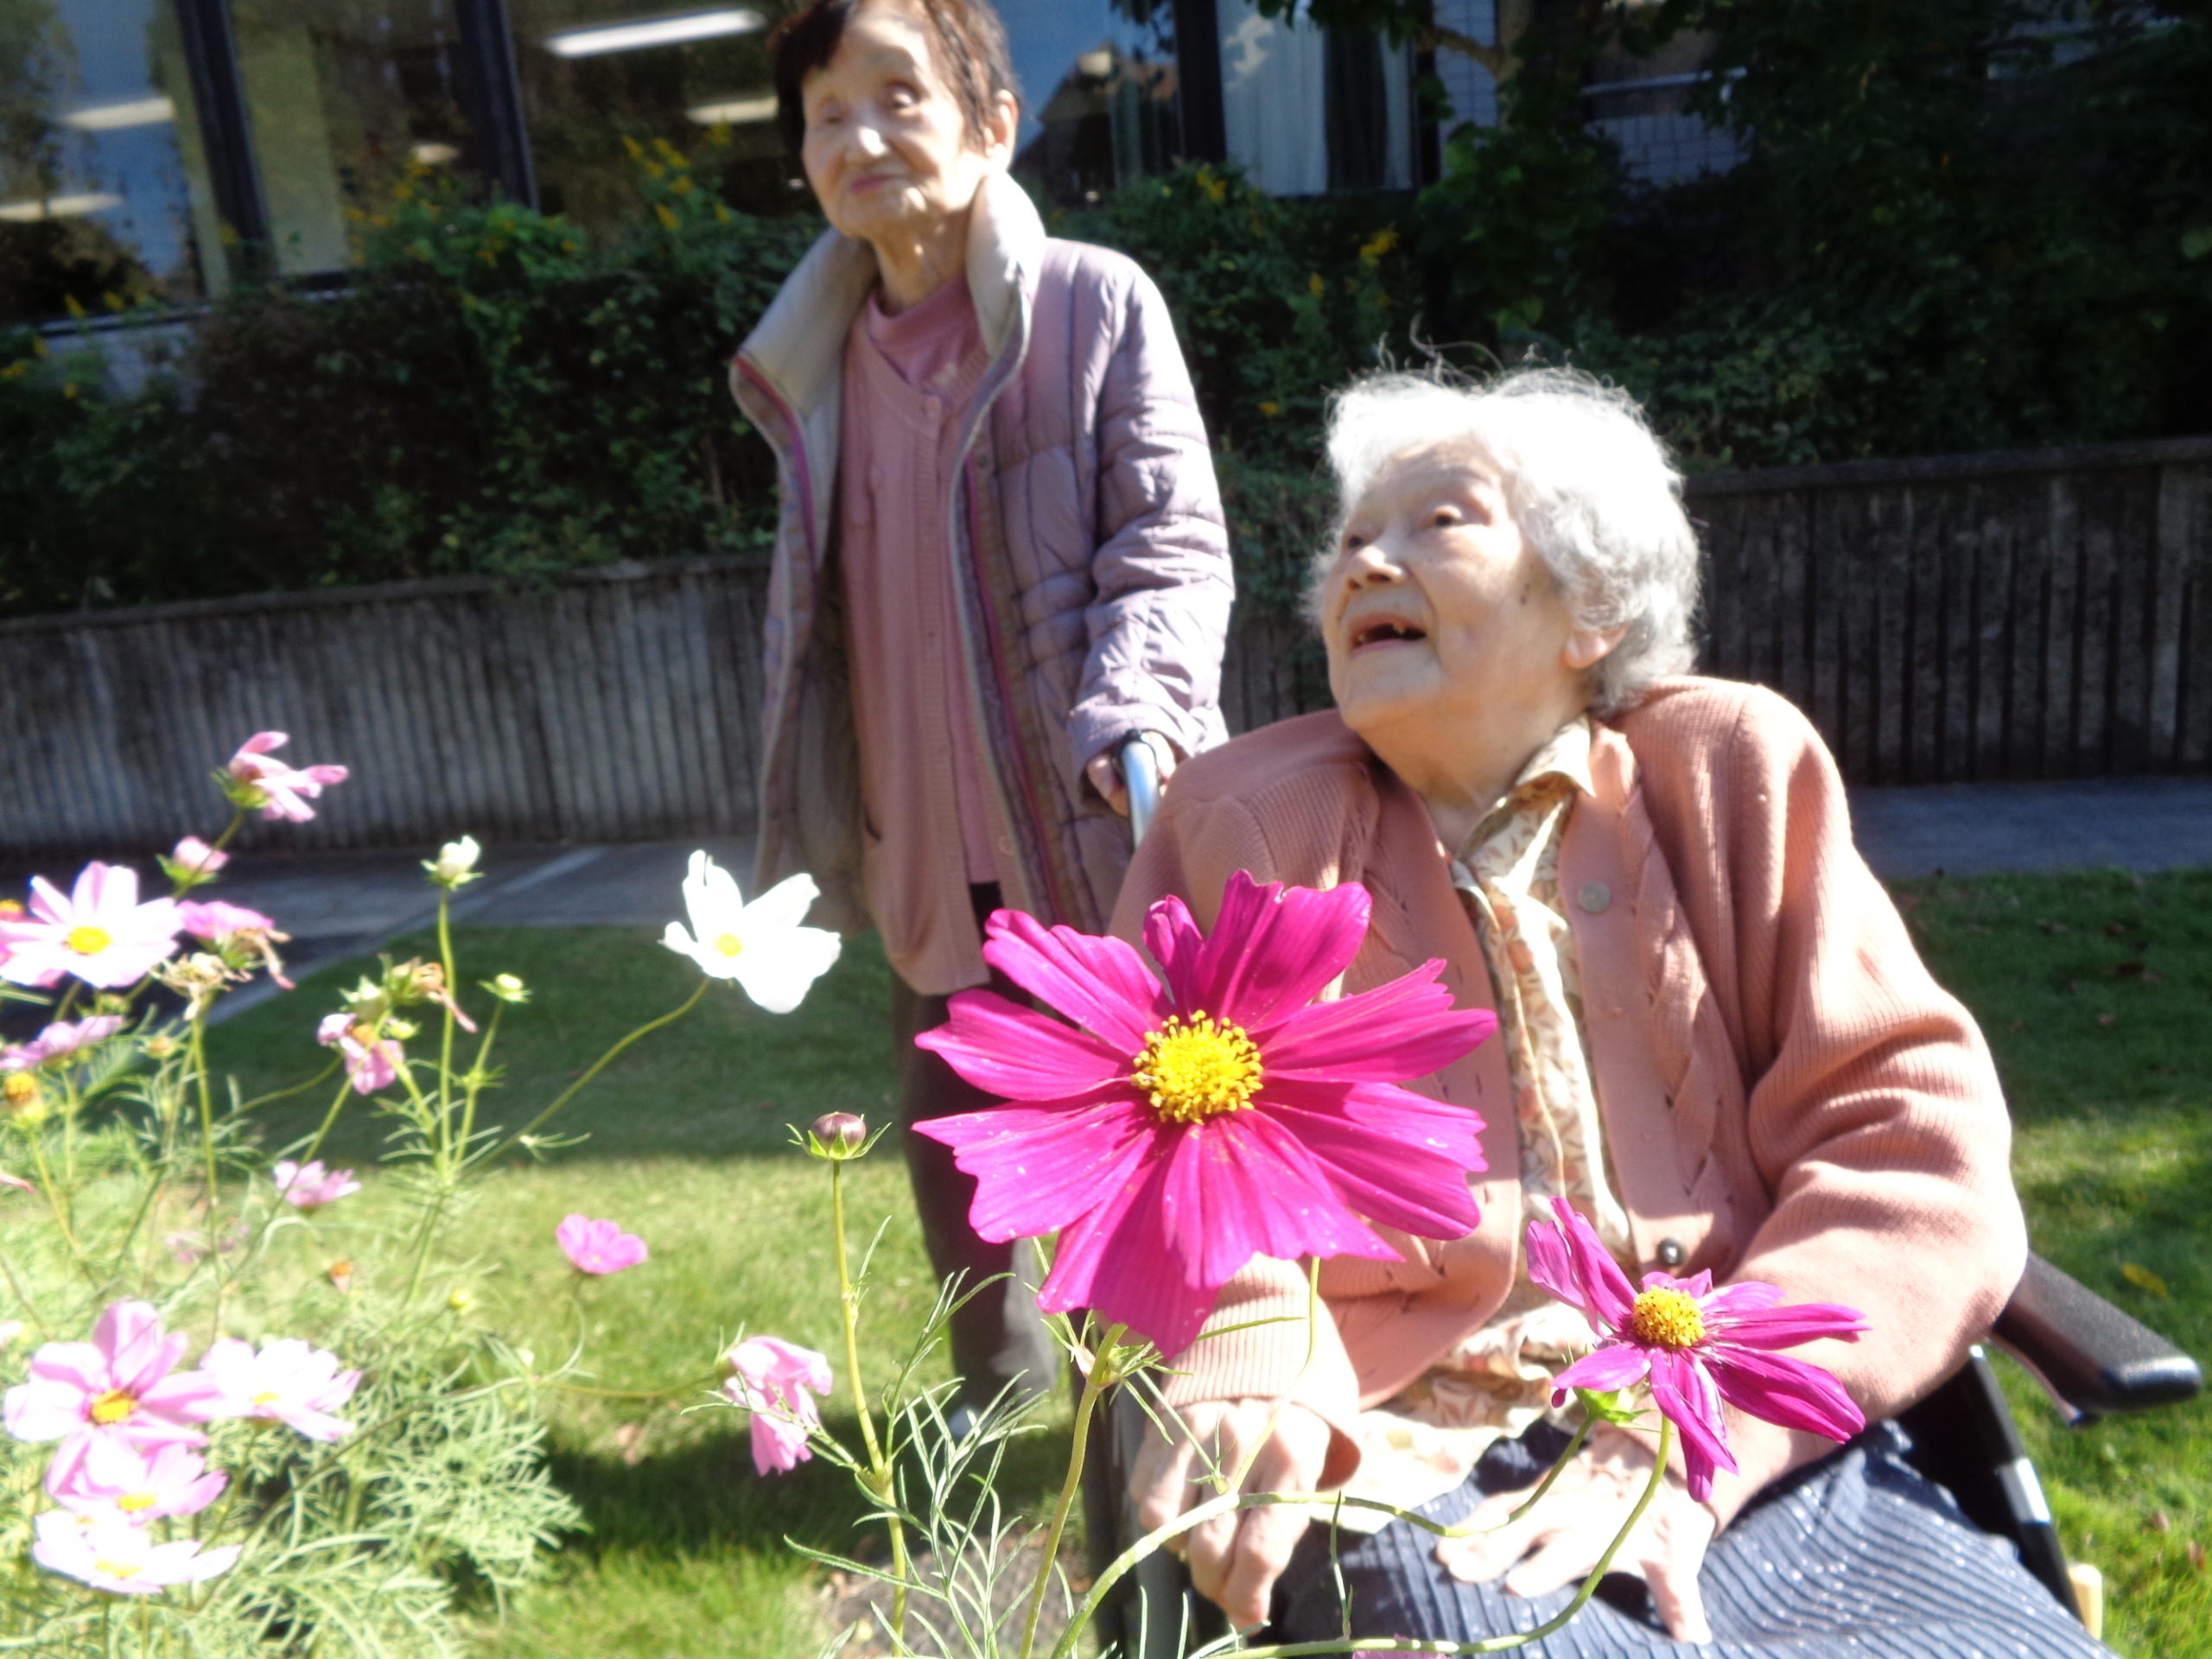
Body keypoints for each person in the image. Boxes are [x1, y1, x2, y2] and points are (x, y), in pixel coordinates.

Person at [1111, 368, 2110, 1654]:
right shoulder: (1249, 817)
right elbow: (1137, 1127)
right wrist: (1252, 1323)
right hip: (1407, 1451)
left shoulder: (1734, 771)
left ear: (1588, 607)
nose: (1365, 564)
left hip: (1744, 1430)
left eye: (1439, 522)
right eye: (1352, 541)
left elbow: (1909, 1151)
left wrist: (1694, 1428)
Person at [733, 0, 1234, 1412]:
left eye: (899, 95)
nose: (861, 135)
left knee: (1104, 1147)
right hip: (912, 841)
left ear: (993, 126)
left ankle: (1139, 1415)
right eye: (828, 112)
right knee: (952, 1134)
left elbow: (1171, 543)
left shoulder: (1091, 302)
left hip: (1064, 823)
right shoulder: (813, 358)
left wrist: (1136, 710)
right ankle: (992, 1386)